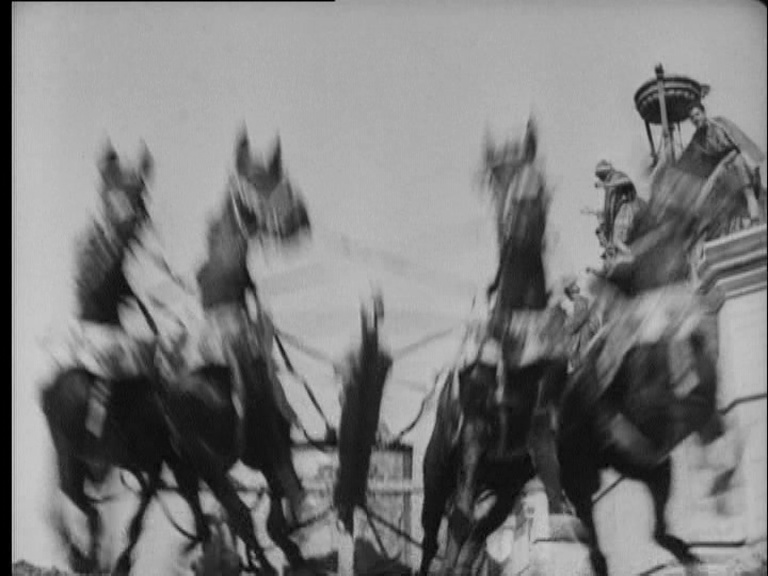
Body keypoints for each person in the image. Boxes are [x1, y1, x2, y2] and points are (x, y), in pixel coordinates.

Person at [46, 142, 159, 441]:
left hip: (101, 326)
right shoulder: (100, 243)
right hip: (98, 330)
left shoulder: (104, 242)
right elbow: (98, 284)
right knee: (128, 364)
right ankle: (102, 427)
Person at [681, 101, 765, 237]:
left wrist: (747, 160)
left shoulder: (719, 123)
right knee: (707, 199)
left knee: (747, 190)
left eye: (697, 114)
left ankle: (755, 222)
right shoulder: (698, 138)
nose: (695, 119)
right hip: (721, 168)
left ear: (703, 113)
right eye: (692, 118)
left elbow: (736, 143)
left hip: (735, 159)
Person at [594, 160, 644, 266]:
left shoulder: (617, 176)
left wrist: (607, 184)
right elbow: (610, 209)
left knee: (616, 240)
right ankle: (626, 257)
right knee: (616, 240)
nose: (600, 178)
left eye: (600, 175)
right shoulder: (610, 184)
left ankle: (630, 257)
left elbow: (626, 181)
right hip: (624, 211)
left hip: (628, 209)